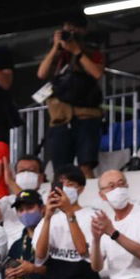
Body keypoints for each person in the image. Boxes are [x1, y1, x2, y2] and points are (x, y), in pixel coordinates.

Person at [36, 13, 105, 179]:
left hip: (86, 116)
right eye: (67, 29)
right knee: (61, 170)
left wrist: (77, 51)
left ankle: (89, 198)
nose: (70, 33)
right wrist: (55, 47)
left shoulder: (91, 50)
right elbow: (41, 73)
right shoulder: (58, 53)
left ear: (83, 30)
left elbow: (97, 73)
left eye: (75, 29)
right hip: (60, 118)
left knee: (86, 165)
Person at [35, 167, 98, 279]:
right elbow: (40, 255)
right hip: (56, 272)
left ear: (81, 188)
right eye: (61, 184)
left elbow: (83, 251)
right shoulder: (49, 218)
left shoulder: (91, 215)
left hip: (83, 274)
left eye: (69, 184)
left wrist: (70, 213)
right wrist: (47, 217)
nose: (64, 188)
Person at [3, 191, 47, 279]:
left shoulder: (53, 234)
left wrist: (33, 269)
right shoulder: (17, 244)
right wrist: (10, 278)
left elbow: (60, 271)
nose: (25, 213)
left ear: (42, 209)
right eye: (21, 210)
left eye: (30, 208)